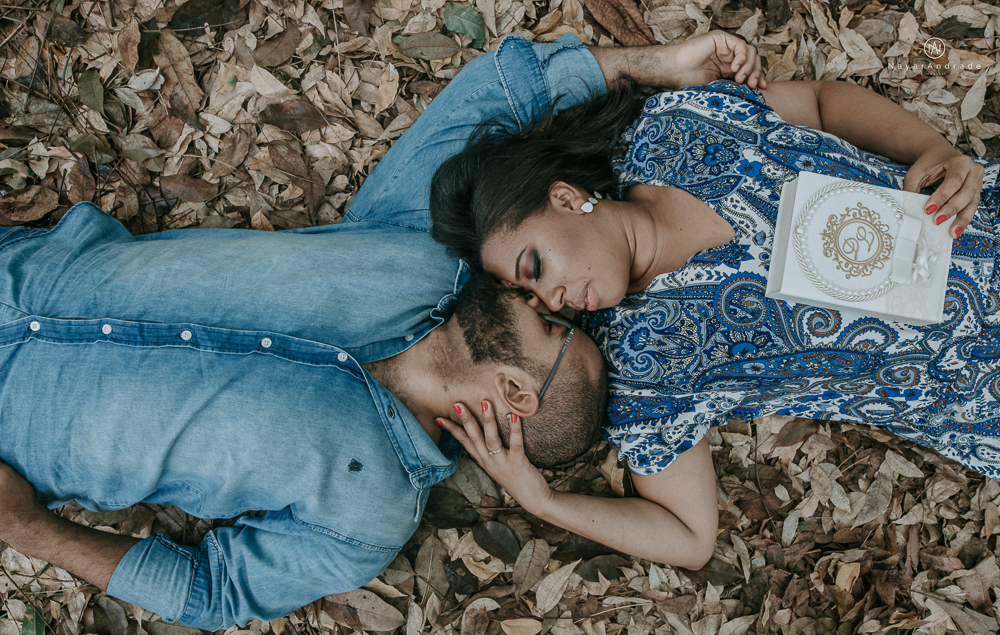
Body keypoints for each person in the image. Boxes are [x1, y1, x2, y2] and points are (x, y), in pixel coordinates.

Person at [0, 32, 765, 628]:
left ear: (514, 393)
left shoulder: (366, 519)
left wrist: (33, 533)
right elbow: (492, 94)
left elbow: (215, 589)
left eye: (550, 320)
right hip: (19, 268)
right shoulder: (424, 254)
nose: (539, 297)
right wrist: (657, 61)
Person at [428, 76, 1000, 569]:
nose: (549, 296)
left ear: (564, 196)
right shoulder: (640, 366)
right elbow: (689, 536)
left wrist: (935, 148)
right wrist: (543, 502)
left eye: (534, 265)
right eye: (527, 293)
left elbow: (823, 103)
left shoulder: (674, 128)